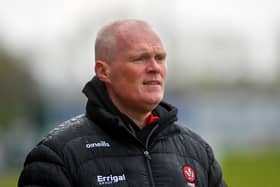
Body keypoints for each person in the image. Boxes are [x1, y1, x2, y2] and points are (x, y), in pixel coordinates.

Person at [18, 19, 226, 187]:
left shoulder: (197, 151)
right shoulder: (57, 156)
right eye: (140, 59)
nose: (155, 67)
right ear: (103, 71)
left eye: (160, 58)